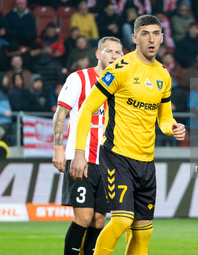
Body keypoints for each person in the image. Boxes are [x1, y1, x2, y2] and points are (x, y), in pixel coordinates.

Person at [69, 15, 186, 255]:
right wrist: (79, 152)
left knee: (144, 232)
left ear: (163, 38)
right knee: (122, 220)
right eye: (145, 34)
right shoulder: (119, 69)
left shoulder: (163, 75)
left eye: (155, 33)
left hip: (146, 161)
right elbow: (87, 109)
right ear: (134, 38)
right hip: (117, 156)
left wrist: (172, 127)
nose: (151, 39)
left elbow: (163, 118)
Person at [52, 36, 123, 255]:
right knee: (83, 217)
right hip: (81, 157)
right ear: (98, 54)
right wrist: (58, 148)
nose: (114, 56)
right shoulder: (79, 78)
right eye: (109, 51)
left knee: (99, 220)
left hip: (108, 162)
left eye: (118, 53)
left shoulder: (121, 85)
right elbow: (61, 113)